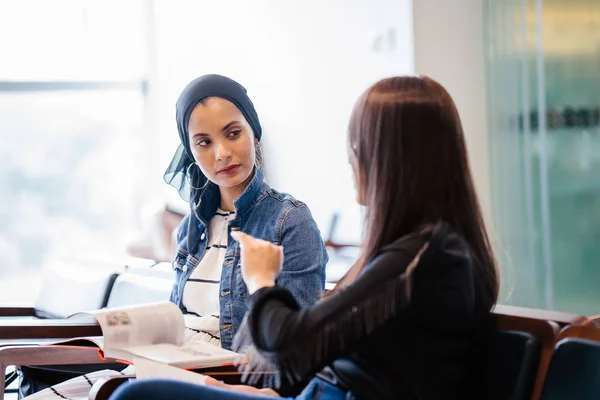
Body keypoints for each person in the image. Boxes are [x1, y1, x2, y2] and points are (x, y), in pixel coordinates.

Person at [110, 75, 499, 400]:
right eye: (204, 142)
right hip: (300, 390)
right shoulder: (417, 253)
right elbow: (317, 350)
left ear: (396, 159)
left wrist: (261, 280)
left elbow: (291, 343)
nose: (351, 160)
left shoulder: (422, 258)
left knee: (136, 396)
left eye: (358, 146)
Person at [163, 74, 328, 349]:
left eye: (233, 133)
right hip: (174, 358)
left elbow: (297, 342)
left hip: (228, 374)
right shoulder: (190, 227)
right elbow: (175, 318)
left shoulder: (290, 221)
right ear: (191, 152)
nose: (222, 153)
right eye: (204, 142)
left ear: (254, 135)